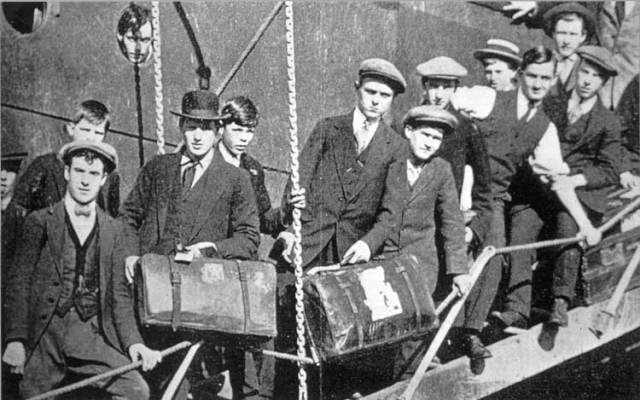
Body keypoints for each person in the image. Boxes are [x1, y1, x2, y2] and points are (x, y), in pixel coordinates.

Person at [119, 89, 260, 399]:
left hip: (196, 307)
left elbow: (249, 239)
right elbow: (128, 217)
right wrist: (130, 253)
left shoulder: (236, 179)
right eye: (191, 126)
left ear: (218, 131)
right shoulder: (158, 168)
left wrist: (209, 250)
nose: (198, 135)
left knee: (182, 387)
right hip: (148, 297)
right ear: (181, 127)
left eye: (206, 128)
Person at [2, 141, 161, 399]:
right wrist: (15, 340)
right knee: (26, 393)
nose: (85, 181)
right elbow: (19, 283)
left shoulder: (114, 230)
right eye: (79, 171)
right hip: (44, 334)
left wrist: (135, 344)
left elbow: (120, 296)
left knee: (136, 390)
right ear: (67, 172)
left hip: (89, 333)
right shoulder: (39, 221)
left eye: (94, 174)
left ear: (104, 178)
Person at [485, 46, 602, 329]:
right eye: (532, 76)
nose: (538, 84)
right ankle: (509, 311)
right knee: (518, 235)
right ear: (520, 75)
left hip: (554, 193)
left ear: (554, 80)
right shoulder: (491, 99)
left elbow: (558, 177)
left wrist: (586, 225)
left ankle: (552, 304)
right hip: (513, 192)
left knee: (559, 231)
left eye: (545, 78)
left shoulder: (548, 120)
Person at [276, 58, 407, 269]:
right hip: (307, 243)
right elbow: (299, 180)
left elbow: (391, 213)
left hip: (352, 254)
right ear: (357, 88)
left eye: (385, 95)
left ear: (393, 99)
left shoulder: (397, 147)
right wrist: (292, 220)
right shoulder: (327, 128)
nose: (376, 101)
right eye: (370, 92)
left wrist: (368, 244)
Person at [414, 56, 495, 369]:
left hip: (449, 221)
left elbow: (484, 189)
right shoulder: (411, 123)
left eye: (445, 87)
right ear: (424, 87)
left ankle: (454, 340)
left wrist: (474, 228)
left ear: (454, 89)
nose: (438, 94)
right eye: (433, 86)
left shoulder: (465, 128)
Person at [538, 46, 624, 326]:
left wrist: (576, 179)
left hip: (579, 194)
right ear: (577, 71)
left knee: (568, 226)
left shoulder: (608, 121)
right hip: (542, 184)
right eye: (585, 72)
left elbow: (609, 170)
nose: (587, 81)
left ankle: (560, 300)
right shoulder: (551, 105)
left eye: (596, 77)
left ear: (603, 82)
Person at [217, 95, 305, 236]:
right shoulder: (206, 162)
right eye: (237, 130)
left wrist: (288, 208)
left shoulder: (253, 169)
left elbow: (264, 221)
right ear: (221, 127)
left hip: (243, 248)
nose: (244, 138)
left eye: (250, 131)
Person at [542, 2, 597, 100]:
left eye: (572, 34)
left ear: (583, 36)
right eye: (561, 33)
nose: (566, 41)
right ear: (553, 33)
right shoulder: (542, 62)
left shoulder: (589, 67)